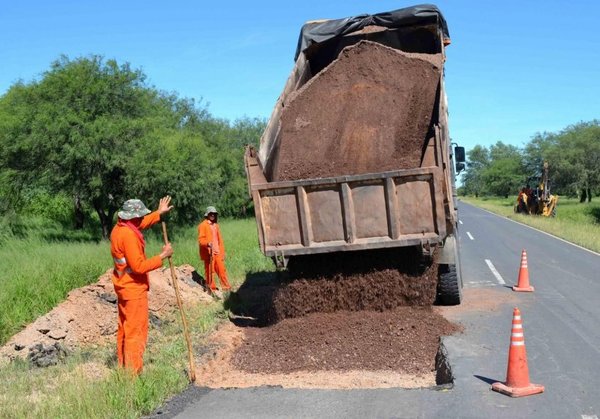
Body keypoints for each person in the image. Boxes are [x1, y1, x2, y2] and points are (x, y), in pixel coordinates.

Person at [110, 196, 174, 375]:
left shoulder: (119, 228)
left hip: (124, 287)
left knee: (125, 329)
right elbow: (138, 266)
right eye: (138, 216)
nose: (140, 219)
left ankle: (124, 368)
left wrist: (158, 214)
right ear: (131, 217)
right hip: (133, 289)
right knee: (136, 332)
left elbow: (141, 224)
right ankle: (132, 374)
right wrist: (162, 256)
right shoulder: (129, 235)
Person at [198, 206, 231, 295]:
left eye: (214, 214)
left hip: (217, 253)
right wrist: (207, 243)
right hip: (209, 253)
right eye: (211, 214)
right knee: (210, 272)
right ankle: (211, 289)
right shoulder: (203, 225)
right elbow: (201, 240)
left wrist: (222, 252)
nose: (213, 215)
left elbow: (220, 240)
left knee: (222, 270)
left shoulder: (216, 225)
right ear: (207, 215)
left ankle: (226, 288)